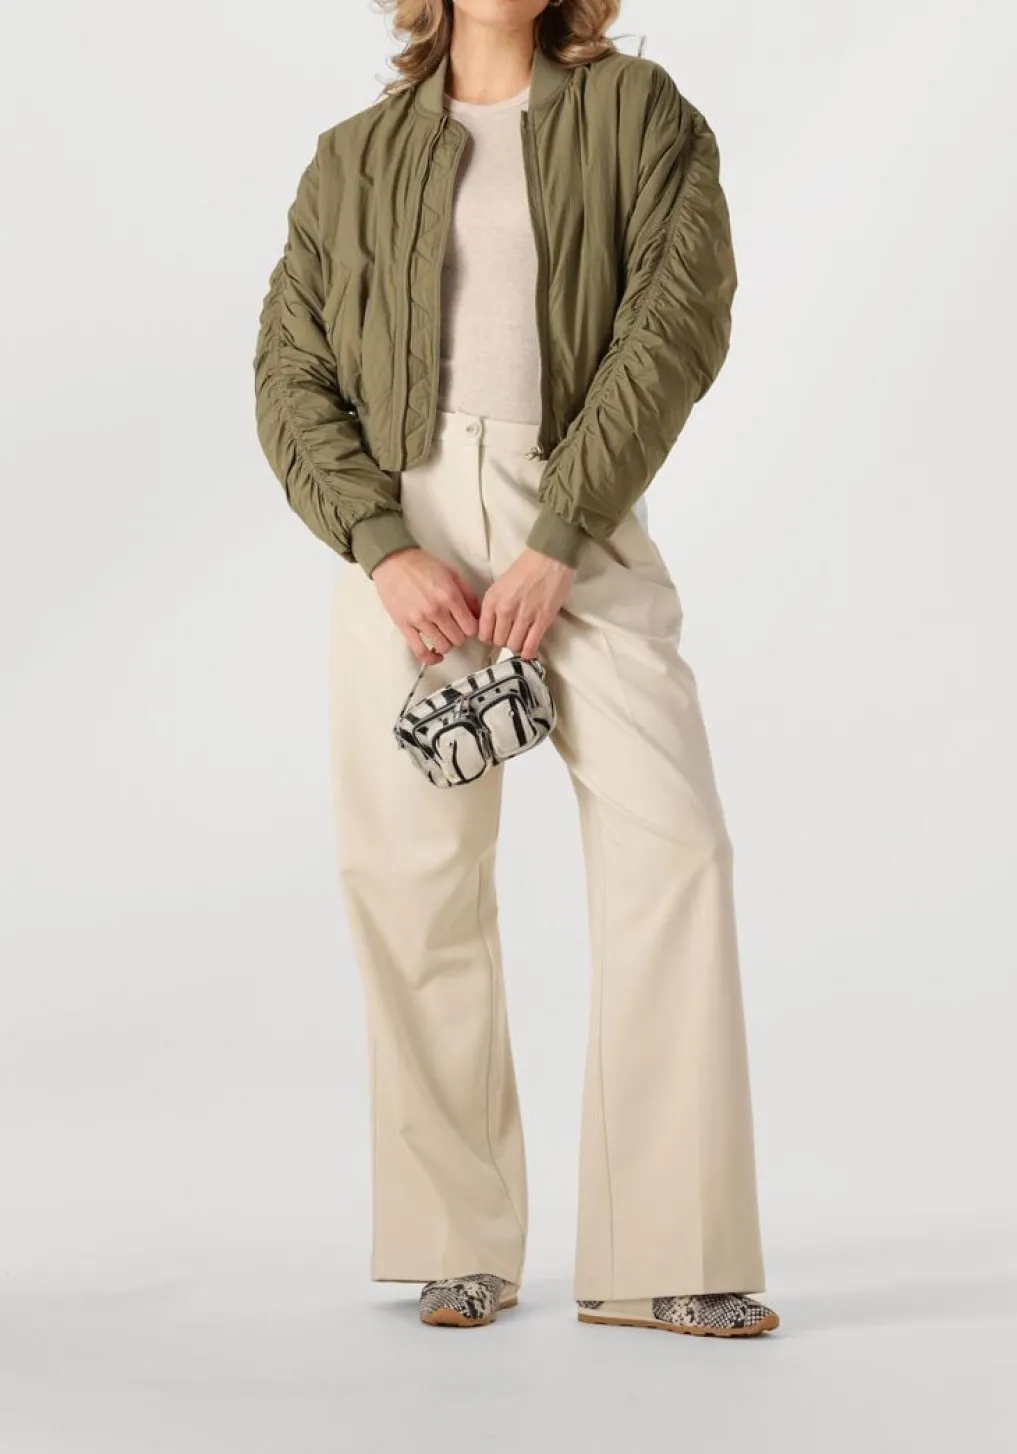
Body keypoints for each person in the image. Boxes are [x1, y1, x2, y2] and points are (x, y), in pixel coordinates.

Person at [253, 0, 779, 1338]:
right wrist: (381, 546)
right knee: (411, 880)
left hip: (575, 516)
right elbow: (289, 371)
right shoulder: (350, 157)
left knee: (676, 852)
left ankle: (667, 1252)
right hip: (404, 530)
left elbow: (677, 322)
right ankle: (455, 1239)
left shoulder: (641, 117)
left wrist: (560, 535)